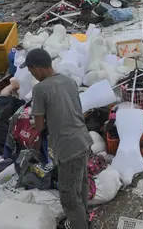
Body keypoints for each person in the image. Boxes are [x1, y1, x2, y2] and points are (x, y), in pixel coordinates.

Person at [24, 49, 92, 229]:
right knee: (81, 184)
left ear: (37, 68)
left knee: (68, 197)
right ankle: (83, 219)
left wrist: (37, 121)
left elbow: (39, 126)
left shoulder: (40, 89)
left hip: (68, 147)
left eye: (31, 70)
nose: (31, 74)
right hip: (84, 139)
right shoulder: (69, 81)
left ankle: (80, 225)